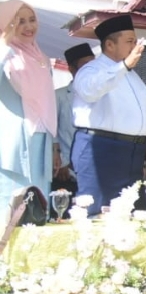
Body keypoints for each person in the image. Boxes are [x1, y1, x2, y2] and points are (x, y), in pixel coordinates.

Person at [72, 15, 146, 215]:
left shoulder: (133, 75)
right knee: (95, 212)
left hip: (132, 153)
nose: (135, 47)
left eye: (136, 41)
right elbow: (90, 90)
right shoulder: (91, 69)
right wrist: (123, 66)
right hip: (101, 149)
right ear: (109, 44)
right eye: (129, 41)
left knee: (127, 213)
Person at [1, 0, 57, 207]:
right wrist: (4, 43)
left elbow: (48, 102)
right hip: (13, 139)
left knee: (38, 199)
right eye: (18, 21)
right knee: (12, 200)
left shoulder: (41, 58)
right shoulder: (5, 54)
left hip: (42, 135)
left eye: (32, 20)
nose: (28, 26)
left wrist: (55, 145)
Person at [52, 43, 95, 197]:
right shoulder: (59, 95)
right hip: (66, 170)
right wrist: (61, 162)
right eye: (85, 65)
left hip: (94, 166)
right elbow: (52, 130)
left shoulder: (103, 95)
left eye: (93, 64)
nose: (91, 69)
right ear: (72, 69)